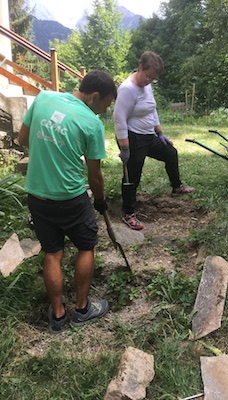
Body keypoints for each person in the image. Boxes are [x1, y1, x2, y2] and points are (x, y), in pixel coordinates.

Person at [18, 70, 117, 334]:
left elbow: (22, 139)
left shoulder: (43, 98)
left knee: (53, 253)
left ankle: (58, 315)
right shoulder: (91, 123)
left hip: (37, 195)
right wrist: (100, 201)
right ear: (94, 96)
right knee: (86, 247)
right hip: (71, 198)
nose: (104, 111)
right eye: (105, 105)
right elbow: (94, 176)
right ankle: (83, 309)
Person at [114, 51, 195, 231]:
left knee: (170, 153)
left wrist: (160, 133)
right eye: (148, 76)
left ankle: (176, 187)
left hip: (149, 135)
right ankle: (128, 212)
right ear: (140, 67)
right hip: (133, 137)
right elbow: (119, 118)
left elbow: (152, 110)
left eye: (153, 79)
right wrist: (125, 148)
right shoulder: (128, 89)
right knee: (132, 174)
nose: (149, 81)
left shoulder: (146, 85)